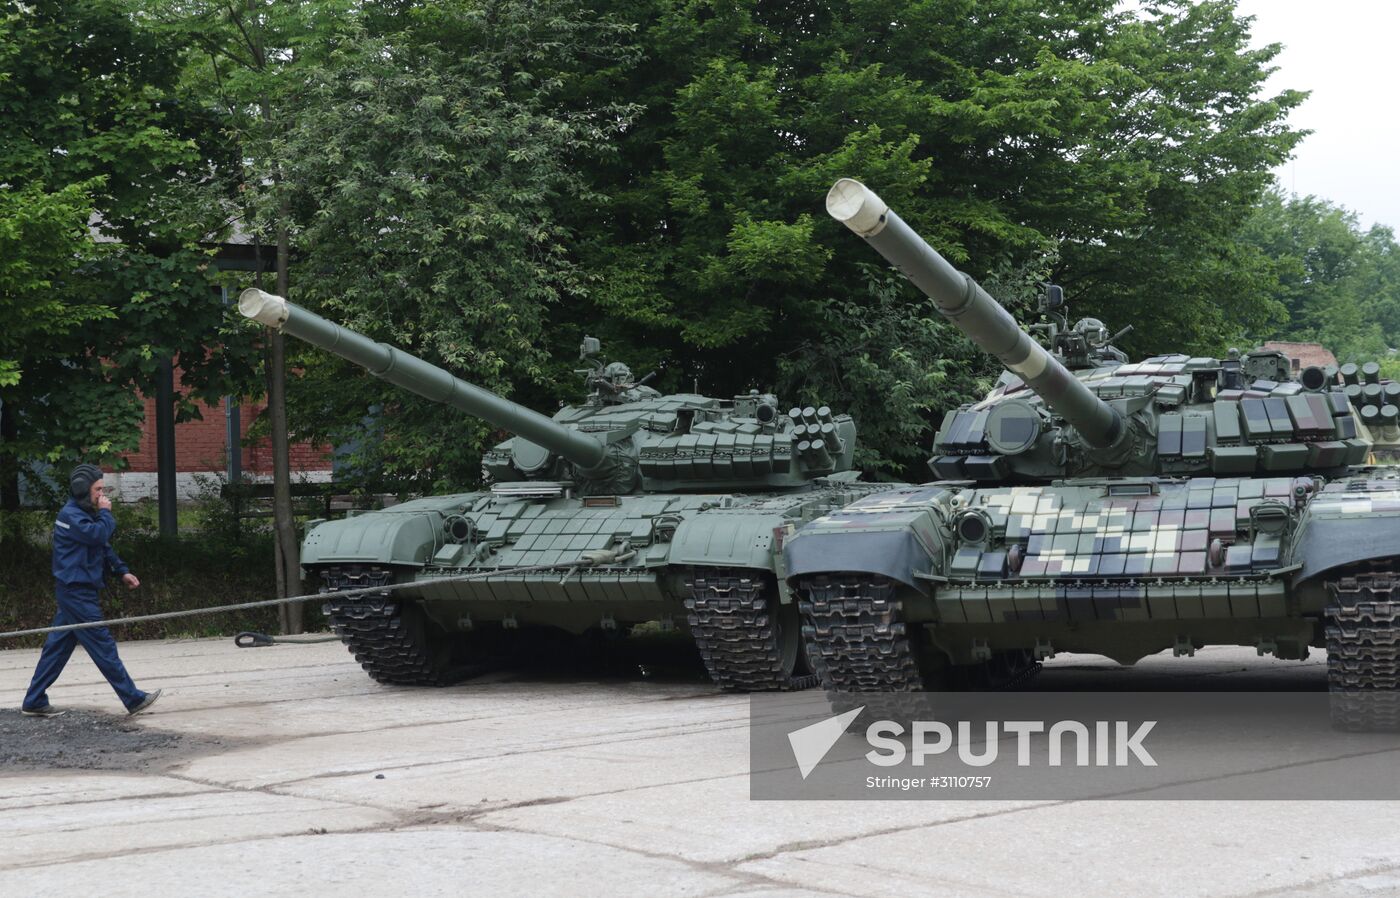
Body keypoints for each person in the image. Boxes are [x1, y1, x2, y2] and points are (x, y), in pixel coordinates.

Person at [20, 464, 161, 718]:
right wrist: (106, 513)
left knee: (57, 648)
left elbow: (102, 546)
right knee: (103, 645)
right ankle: (133, 698)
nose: (102, 494)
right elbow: (97, 535)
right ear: (82, 490)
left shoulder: (84, 514)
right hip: (76, 592)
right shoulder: (71, 516)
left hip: (77, 591)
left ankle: (34, 700)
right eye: (98, 489)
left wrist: (122, 571)